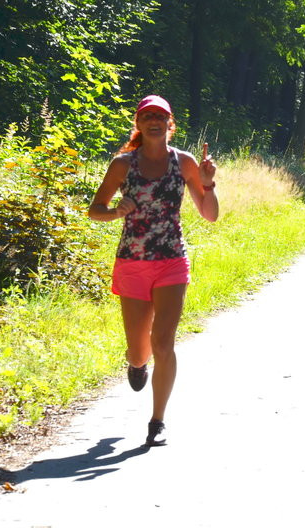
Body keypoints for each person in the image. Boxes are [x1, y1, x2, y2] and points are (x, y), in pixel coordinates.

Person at [88, 95, 219, 447]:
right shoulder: (122, 165)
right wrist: (116, 211)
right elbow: (94, 209)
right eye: (147, 116)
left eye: (160, 116)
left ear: (169, 122)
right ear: (139, 123)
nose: (154, 121)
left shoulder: (185, 163)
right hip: (132, 260)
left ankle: (157, 420)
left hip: (171, 259)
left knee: (163, 342)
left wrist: (208, 183)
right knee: (139, 349)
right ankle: (136, 363)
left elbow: (209, 214)